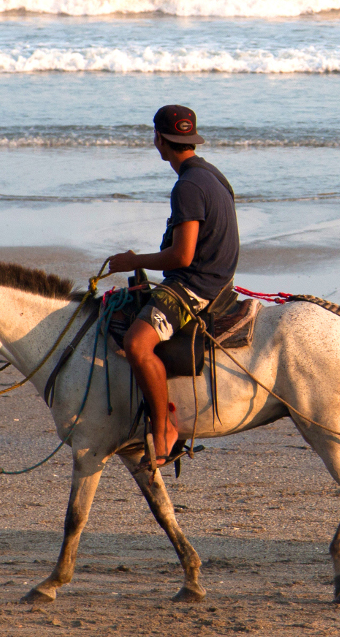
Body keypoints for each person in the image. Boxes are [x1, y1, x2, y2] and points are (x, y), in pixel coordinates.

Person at [105, 105, 240, 468]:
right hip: (217, 277)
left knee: (136, 342)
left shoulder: (187, 186)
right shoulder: (211, 175)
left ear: (159, 140)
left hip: (194, 287)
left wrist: (135, 261)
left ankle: (165, 426)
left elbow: (181, 256)